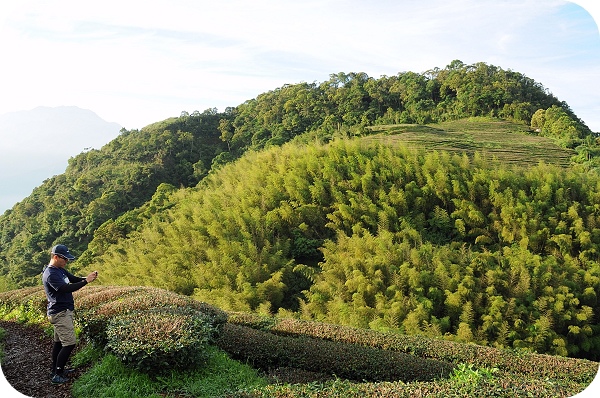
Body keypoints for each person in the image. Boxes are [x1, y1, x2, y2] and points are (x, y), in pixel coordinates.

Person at [42, 244, 98, 385]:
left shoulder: (59, 270)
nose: (67, 262)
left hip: (62, 311)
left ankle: (55, 370)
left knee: (59, 342)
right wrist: (86, 281)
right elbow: (65, 288)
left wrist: (87, 277)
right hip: (60, 313)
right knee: (70, 343)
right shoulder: (51, 274)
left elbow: (73, 279)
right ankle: (58, 374)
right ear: (56, 257)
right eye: (65, 259)